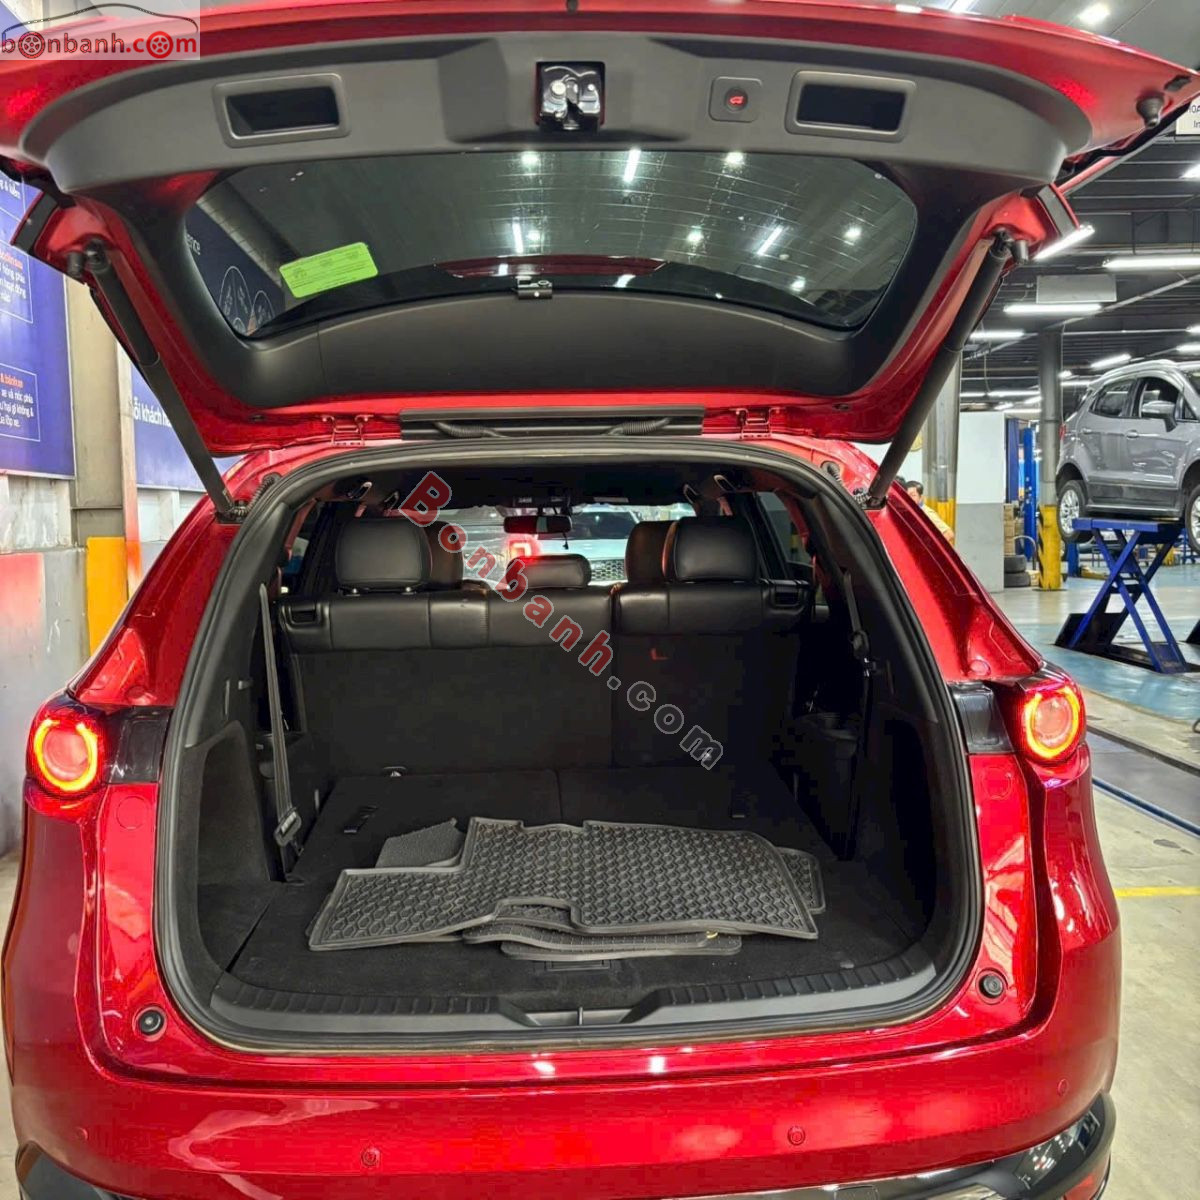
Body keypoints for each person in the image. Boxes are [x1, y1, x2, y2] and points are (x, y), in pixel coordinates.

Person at [904, 479, 955, 544]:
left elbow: (949, 534)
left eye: (913, 495)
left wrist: (929, 545)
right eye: (906, 495)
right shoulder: (910, 512)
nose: (909, 498)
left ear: (921, 497)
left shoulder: (926, 513)